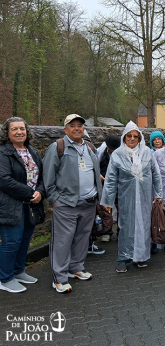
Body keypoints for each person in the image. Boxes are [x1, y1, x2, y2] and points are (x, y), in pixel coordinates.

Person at [43, 114, 103, 293]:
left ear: (84, 129)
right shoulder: (58, 147)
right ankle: (59, 278)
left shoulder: (90, 147)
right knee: (62, 241)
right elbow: (48, 176)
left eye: (80, 125)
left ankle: (76, 268)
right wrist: (54, 199)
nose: (77, 128)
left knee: (82, 238)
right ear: (66, 129)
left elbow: (95, 171)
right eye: (73, 125)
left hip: (89, 202)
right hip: (67, 203)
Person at [100, 121, 163, 273]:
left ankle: (141, 256)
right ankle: (123, 257)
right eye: (129, 136)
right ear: (124, 137)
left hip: (144, 197)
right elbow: (110, 180)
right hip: (126, 197)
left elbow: (156, 174)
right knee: (126, 226)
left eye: (136, 136)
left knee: (143, 225)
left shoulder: (147, 152)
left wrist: (159, 193)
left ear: (140, 138)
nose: (132, 139)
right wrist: (107, 201)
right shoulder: (117, 154)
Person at [0, 117, 45, 293]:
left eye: (22, 129)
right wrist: (30, 193)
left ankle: (18, 271)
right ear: (7, 133)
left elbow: (41, 176)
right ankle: (5, 277)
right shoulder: (3, 153)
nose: (19, 132)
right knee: (11, 241)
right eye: (14, 129)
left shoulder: (32, 151)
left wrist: (40, 192)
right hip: (11, 205)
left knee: (25, 239)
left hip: (31, 205)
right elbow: (3, 180)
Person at [97, 135, 121, 242]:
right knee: (106, 208)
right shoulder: (101, 154)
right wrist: (100, 176)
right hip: (104, 184)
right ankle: (107, 230)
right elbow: (95, 167)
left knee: (120, 206)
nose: (112, 152)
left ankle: (121, 230)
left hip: (118, 185)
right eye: (111, 150)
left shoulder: (121, 154)